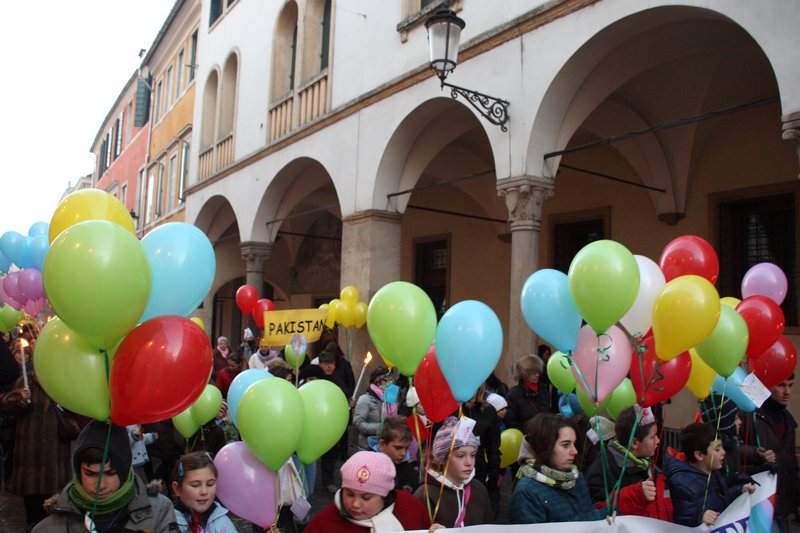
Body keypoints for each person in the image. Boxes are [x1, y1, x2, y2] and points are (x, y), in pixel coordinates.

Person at [33, 420, 177, 532]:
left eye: (110, 473)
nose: (100, 485)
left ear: (125, 471)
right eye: (90, 474)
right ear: (78, 471)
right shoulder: (50, 526)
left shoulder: (160, 510)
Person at [1, 339, 74, 530]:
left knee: (52, 505)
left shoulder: (60, 382)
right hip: (29, 457)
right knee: (31, 504)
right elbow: (9, 408)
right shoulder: (26, 382)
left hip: (53, 456)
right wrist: (19, 399)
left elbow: (74, 415)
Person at [510, 413, 608, 524]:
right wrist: (601, 515)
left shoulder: (577, 477)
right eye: (565, 445)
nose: (574, 451)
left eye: (574, 444)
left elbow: (587, 517)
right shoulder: (527, 491)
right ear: (545, 445)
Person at [304, 451, 431, 533]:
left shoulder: (410, 507)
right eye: (349, 494)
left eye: (366, 497)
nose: (355, 504)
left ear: (385, 495)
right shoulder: (322, 525)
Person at [585, 406, 672, 520]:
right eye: (652, 437)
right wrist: (635, 494)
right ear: (634, 443)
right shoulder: (603, 468)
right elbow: (596, 514)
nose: (658, 441)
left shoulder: (648, 465)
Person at [664, 423, 755, 527]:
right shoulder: (683, 484)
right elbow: (683, 521)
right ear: (699, 455)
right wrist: (700, 517)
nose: (723, 452)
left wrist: (740, 490)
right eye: (717, 449)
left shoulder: (712, 471)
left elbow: (720, 499)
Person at [740, 374, 797, 532]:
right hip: (757, 500)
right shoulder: (748, 413)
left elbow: (789, 465)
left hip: (781, 506)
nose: (787, 391)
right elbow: (726, 449)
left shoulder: (787, 420)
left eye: (790, 385)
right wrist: (755, 453)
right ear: (766, 386)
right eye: (781, 385)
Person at [414, 416, 493, 527]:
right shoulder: (425, 495)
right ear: (441, 459)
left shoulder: (479, 489)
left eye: (473, 455)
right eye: (460, 456)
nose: (469, 462)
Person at [460, 384, 501, 516]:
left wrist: (493, 473)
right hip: (454, 472)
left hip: (479, 471)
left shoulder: (488, 411)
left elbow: (493, 445)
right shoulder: (451, 410)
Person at [171, 451, 236, 533]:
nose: (204, 492)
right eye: (195, 485)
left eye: (210, 484)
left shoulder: (223, 521)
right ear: (177, 488)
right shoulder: (165, 524)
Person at [353, 366, 397, 452]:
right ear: (377, 382)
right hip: (368, 447)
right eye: (386, 380)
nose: (390, 383)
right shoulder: (365, 399)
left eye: (391, 380)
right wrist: (380, 428)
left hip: (386, 446)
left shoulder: (391, 398)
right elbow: (357, 423)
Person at [505, 355, 550, 433]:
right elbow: (511, 422)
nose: (537, 375)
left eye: (538, 371)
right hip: (526, 437)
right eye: (533, 372)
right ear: (524, 373)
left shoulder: (543, 389)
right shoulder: (514, 394)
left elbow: (548, 411)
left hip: (545, 435)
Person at [376, 415, 418, 492]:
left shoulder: (411, 474)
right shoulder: (369, 467)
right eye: (398, 448)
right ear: (382, 444)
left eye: (406, 448)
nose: (403, 453)